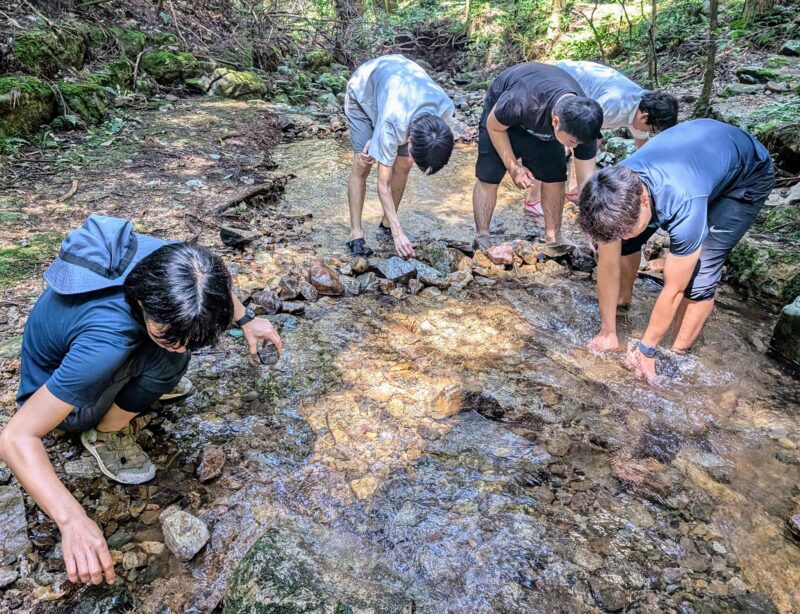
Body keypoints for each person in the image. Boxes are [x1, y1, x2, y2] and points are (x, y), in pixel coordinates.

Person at [0, 215, 283, 586]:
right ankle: (106, 432)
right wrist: (72, 520)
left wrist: (248, 320)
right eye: (168, 334)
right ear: (143, 304)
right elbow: (15, 437)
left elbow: (213, 286)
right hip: (62, 401)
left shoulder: (175, 264)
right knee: (173, 361)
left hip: (81, 359)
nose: (183, 344)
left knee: (172, 354)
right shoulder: (107, 339)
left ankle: (138, 381)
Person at [578, 119, 774, 383]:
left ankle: (676, 355)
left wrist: (647, 349)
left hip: (745, 175)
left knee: (700, 273)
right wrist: (607, 330)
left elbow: (674, 288)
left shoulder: (683, 203)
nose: (621, 236)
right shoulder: (611, 191)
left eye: (628, 228)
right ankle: (621, 304)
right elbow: (608, 262)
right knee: (621, 244)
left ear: (644, 201)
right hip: (700, 162)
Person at [472, 62, 603, 250]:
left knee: (555, 176)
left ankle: (554, 236)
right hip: (501, 119)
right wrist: (514, 168)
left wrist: (594, 230)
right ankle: (482, 235)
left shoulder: (585, 125)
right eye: (572, 143)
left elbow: (587, 184)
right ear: (556, 122)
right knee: (489, 175)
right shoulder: (521, 100)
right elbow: (494, 126)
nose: (574, 147)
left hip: (544, 127)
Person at [523, 60, 679, 210]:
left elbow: (645, 150)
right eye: (652, 129)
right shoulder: (613, 105)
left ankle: (573, 190)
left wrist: (660, 182)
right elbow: (578, 131)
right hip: (558, 80)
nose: (649, 133)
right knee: (556, 145)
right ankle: (532, 199)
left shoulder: (643, 108)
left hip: (580, 89)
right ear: (644, 117)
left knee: (589, 142)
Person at [344, 54, 455, 259]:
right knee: (363, 163)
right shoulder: (392, 123)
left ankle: (387, 222)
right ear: (410, 140)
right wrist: (399, 233)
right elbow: (383, 183)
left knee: (404, 163)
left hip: (396, 90)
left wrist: (381, 142)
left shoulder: (445, 109)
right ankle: (356, 234)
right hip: (363, 90)